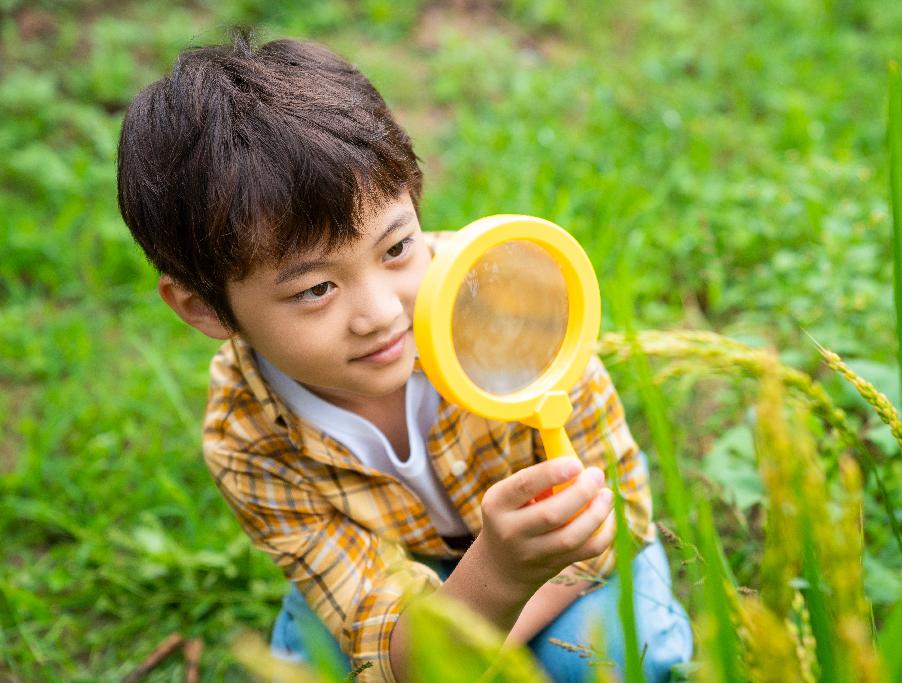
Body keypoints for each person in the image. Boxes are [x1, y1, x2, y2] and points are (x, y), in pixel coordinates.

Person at [117, 34, 692, 682]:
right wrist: (483, 590)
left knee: (610, 658)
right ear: (205, 309)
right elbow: (376, 628)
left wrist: (495, 622)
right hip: (404, 573)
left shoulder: (513, 296)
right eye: (315, 289)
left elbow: (619, 513)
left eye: (395, 249)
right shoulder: (247, 435)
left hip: (569, 562)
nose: (383, 313)